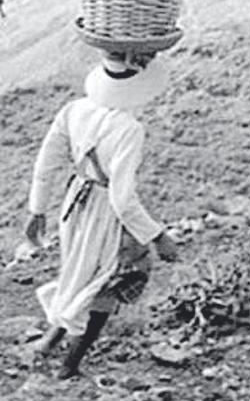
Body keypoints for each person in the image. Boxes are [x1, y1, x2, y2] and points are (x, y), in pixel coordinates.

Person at [24, 50, 179, 379]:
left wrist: (37, 210)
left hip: (74, 201)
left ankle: (50, 342)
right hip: (104, 211)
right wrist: (158, 236)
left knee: (77, 271)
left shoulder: (74, 110)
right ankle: (70, 363)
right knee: (107, 282)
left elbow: (46, 163)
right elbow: (122, 198)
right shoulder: (129, 129)